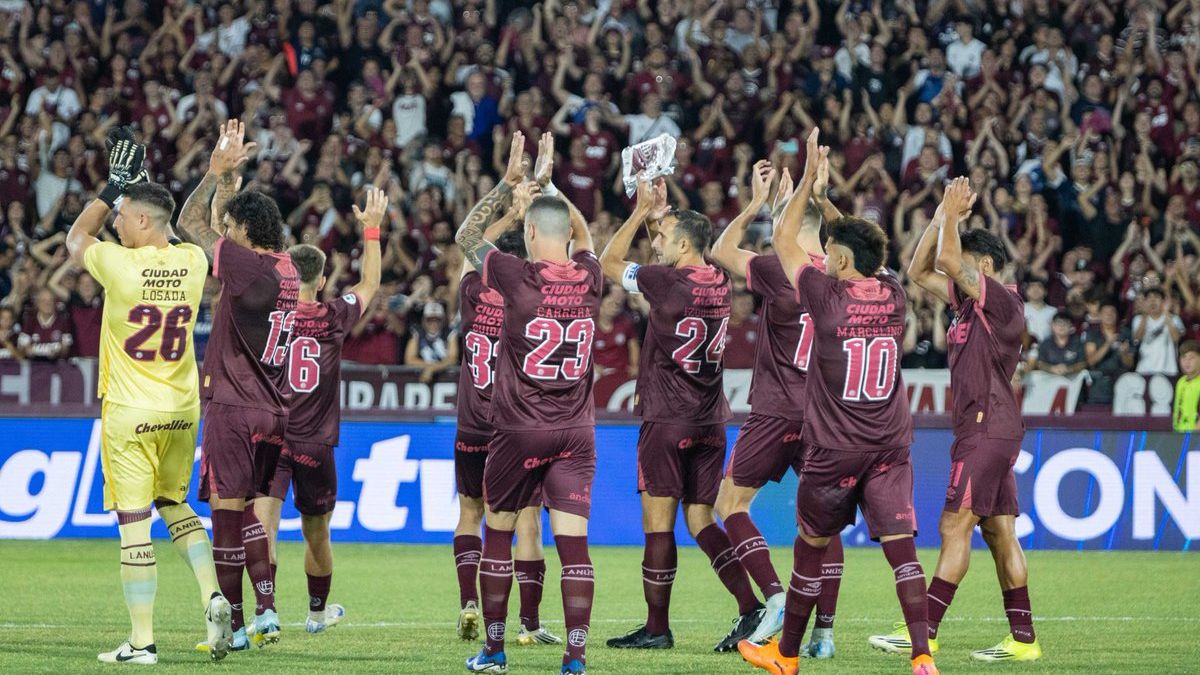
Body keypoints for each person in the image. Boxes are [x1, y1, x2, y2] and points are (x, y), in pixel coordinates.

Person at [738, 129, 936, 675]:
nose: (819, 256)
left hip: (834, 447)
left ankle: (786, 656)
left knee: (809, 547)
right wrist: (829, 203)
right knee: (903, 551)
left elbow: (783, 240)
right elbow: (866, 248)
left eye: (829, 252)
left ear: (840, 260)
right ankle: (922, 656)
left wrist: (805, 178)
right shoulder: (893, 293)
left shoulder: (824, 296)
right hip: (891, 444)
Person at [64, 129, 232, 664]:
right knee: (174, 502)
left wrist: (113, 188)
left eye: (122, 215)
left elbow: (75, 239)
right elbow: (185, 228)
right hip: (182, 411)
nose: (115, 222)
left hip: (130, 410)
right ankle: (213, 593)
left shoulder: (119, 264)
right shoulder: (193, 264)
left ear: (139, 221)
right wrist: (215, 175)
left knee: (134, 522)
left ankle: (142, 642)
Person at [875, 177, 1042, 662]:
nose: (959, 269)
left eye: (969, 263)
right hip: (986, 427)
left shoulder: (1003, 301)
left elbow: (947, 261)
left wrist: (951, 216)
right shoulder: (968, 303)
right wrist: (937, 218)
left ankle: (922, 631)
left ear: (984, 267)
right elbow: (918, 267)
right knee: (998, 531)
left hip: (988, 428)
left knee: (954, 526)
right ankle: (1024, 641)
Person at [600, 175, 764, 653]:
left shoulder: (665, 281)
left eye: (665, 239)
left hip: (667, 417)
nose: (656, 246)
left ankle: (656, 627)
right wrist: (661, 217)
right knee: (700, 521)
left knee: (658, 524)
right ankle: (750, 608)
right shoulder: (717, 279)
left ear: (686, 244)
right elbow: (673, 250)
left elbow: (610, 262)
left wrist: (635, 214)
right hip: (710, 419)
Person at [457, 132, 600, 675]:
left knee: (498, 530)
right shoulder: (591, 277)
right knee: (574, 547)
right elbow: (585, 235)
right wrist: (551, 183)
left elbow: (466, 235)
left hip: (518, 430)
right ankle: (576, 656)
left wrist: (510, 183)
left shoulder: (515, 277)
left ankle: (493, 652)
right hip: (577, 432)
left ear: (531, 232)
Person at [708, 159, 845, 654]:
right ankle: (824, 635)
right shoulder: (842, 276)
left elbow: (721, 249)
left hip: (774, 411)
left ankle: (775, 597)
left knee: (729, 505)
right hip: (826, 419)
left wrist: (757, 204)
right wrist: (809, 197)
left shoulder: (775, 270)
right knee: (821, 523)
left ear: (787, 226)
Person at [177, 119, 299, 650]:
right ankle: (266, 611)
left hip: (233, 404)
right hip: (274, 411)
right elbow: (223, 230)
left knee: (225, 514)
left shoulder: (247, 268)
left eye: (231, 227)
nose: (224, 233)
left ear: (245, 234)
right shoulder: (288, 269)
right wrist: (231, 183)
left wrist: (212, 175)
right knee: (249, 508)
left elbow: (189, 225)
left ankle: (235, 628)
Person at [253, 187, 386, 636]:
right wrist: (371, 229)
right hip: (315, 443)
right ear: (324, 280)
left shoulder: (272, 313)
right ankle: (314, 613)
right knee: (316, 533)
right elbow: (370, 285)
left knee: (264, 526)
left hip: (271, 433)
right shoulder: (334, 316)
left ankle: (264, 613)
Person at [452, 162, 561, 648]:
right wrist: (526, 215)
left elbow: (467, 247)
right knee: (527, 522)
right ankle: (529, 623)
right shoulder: (528, 300)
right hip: (511, 427)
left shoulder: (472, 292)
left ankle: (469, 603)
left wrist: (507, 209)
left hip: (470, 425)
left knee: (469, 515)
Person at [1133, 287, 1184, 376]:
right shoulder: (1138, 319)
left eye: (1156, 297)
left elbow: (1176, 339)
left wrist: (1166, 313)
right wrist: (1145, 314)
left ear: (1163, 302)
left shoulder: (1174, 319)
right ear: (1144, 302)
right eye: (1149, 298)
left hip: (1168, 370)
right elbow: (1137, 337)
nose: (1152, 301)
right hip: (1144, 370)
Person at [1174, 341, 1200, 432]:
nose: (1187, 362)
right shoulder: (1180, 382)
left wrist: (1195, 437)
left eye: (1192, 357)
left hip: (1195, 437)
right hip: (1179, 435)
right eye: (1183, 357)